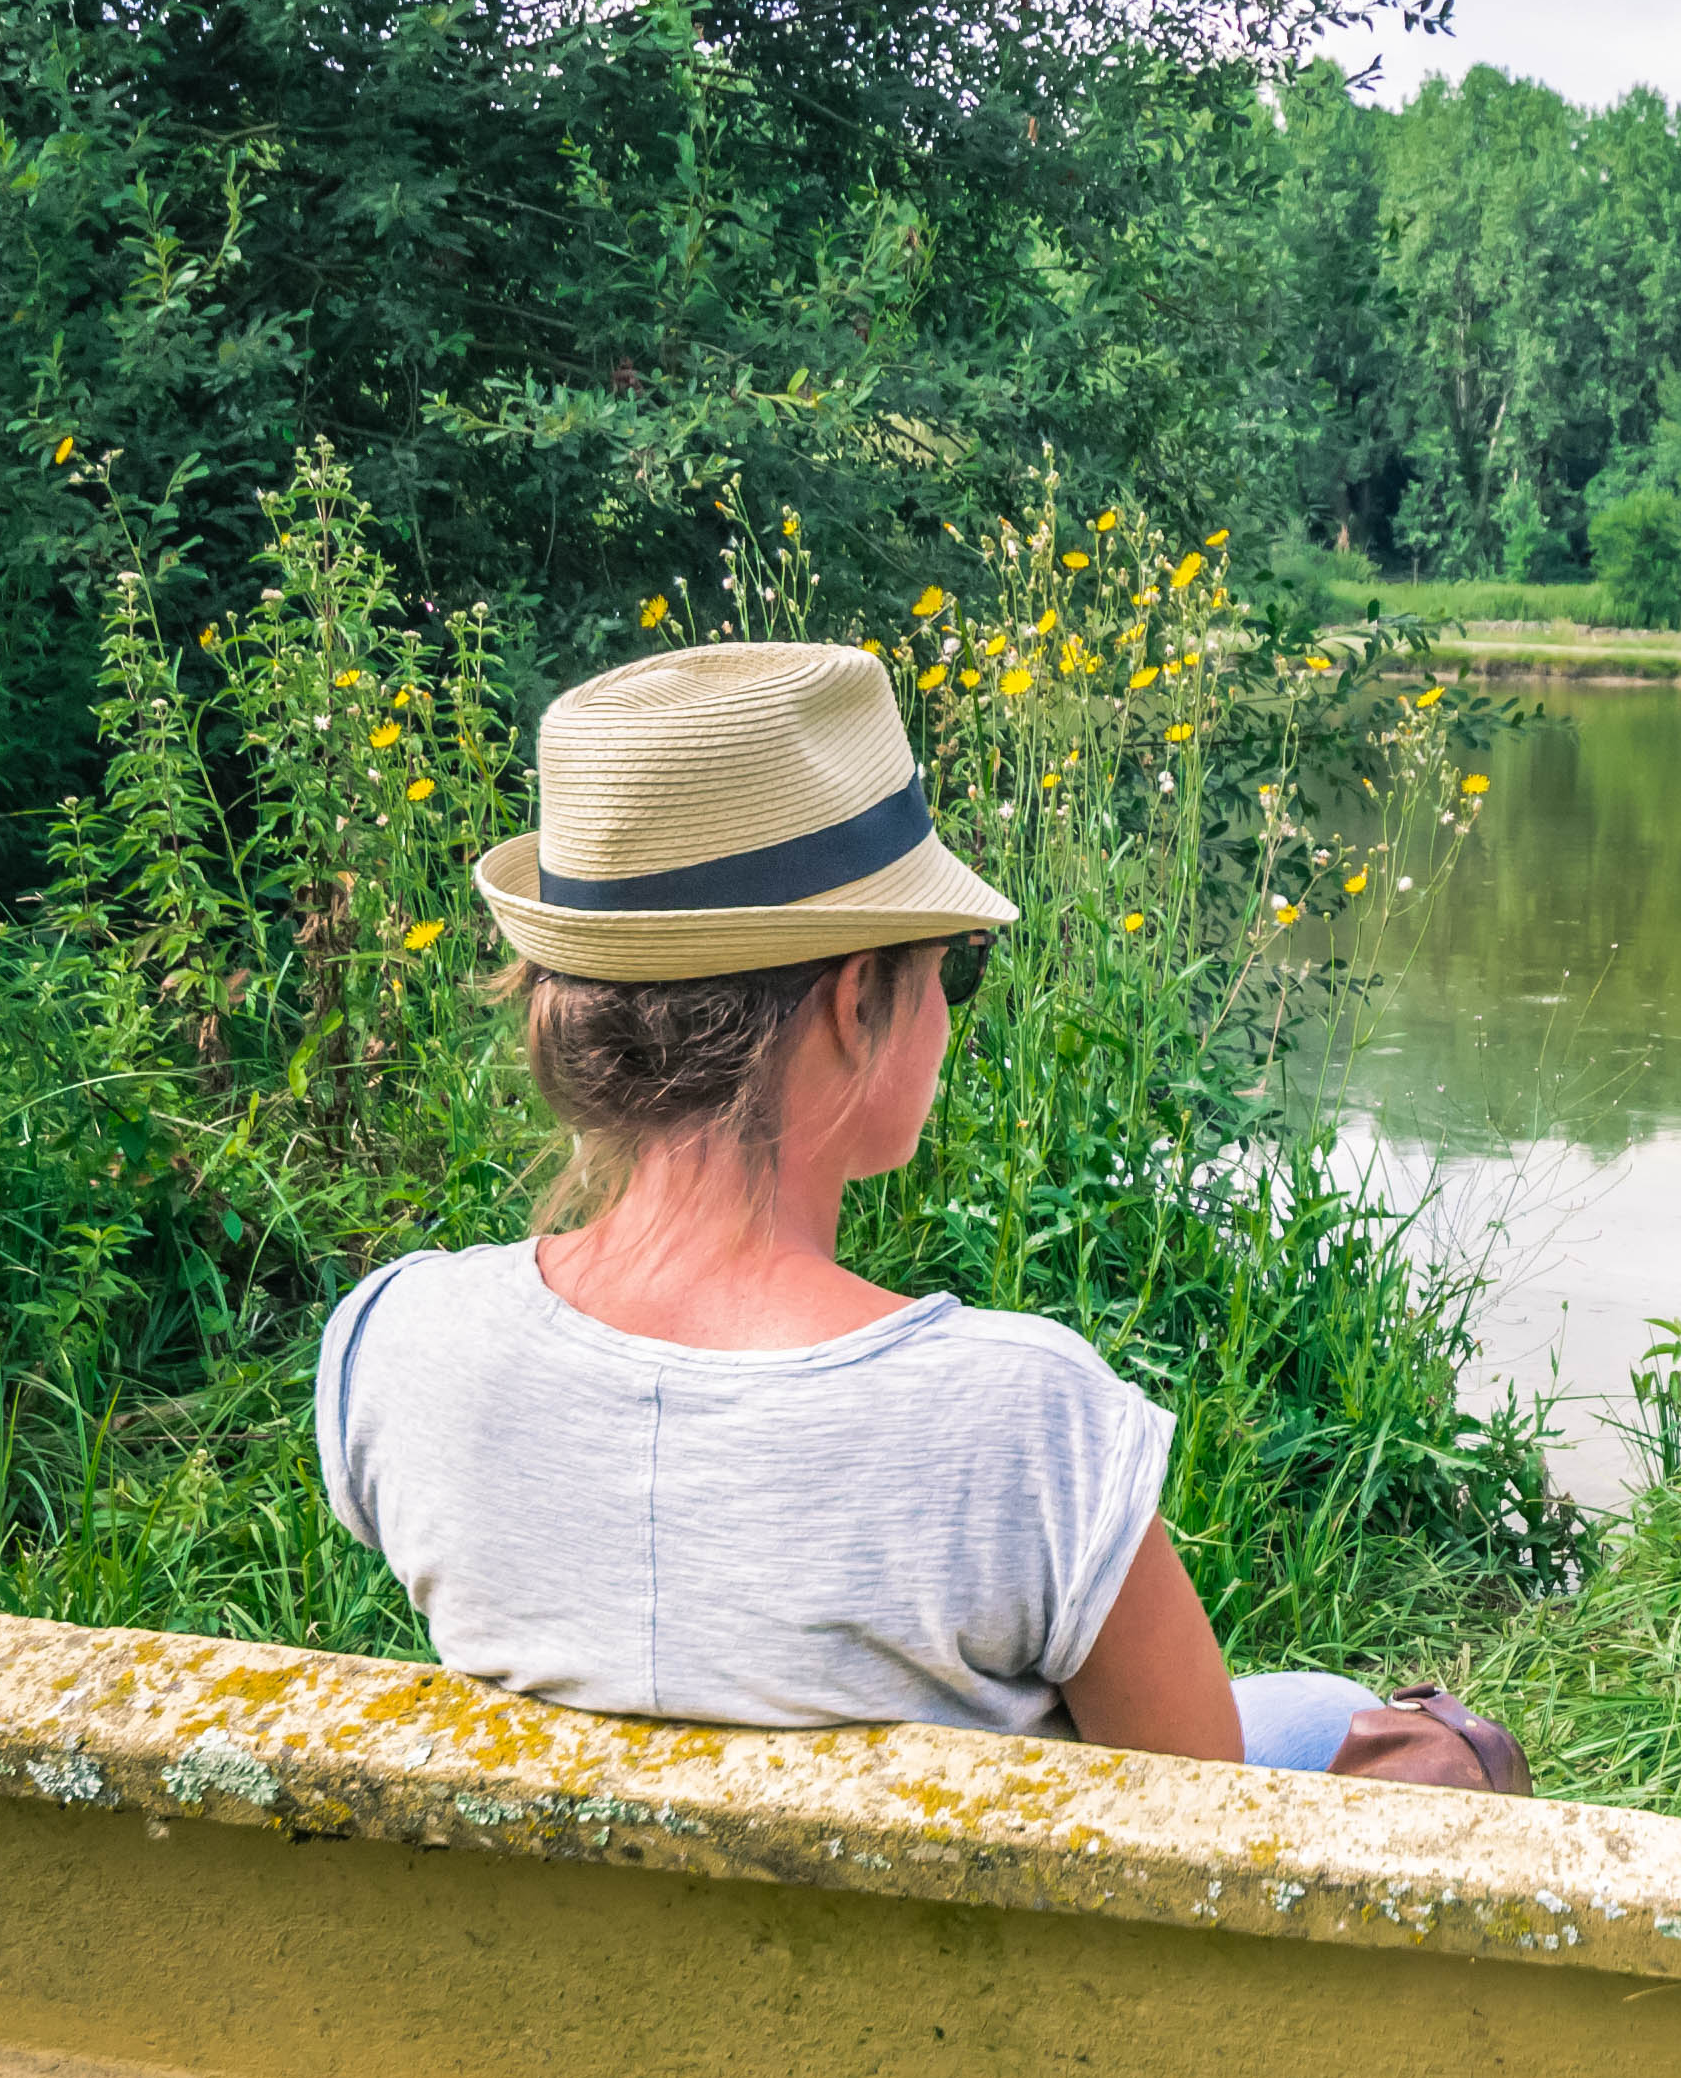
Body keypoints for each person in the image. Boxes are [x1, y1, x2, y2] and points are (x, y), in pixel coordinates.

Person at [312, 641, 1388, 1769]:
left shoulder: (395, 1344)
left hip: (555, 1933)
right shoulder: (1028, 1424)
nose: (951, 1012)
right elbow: (1207, 1824)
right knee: (1343, 1715)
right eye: (952, 969)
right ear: (851, 1001)